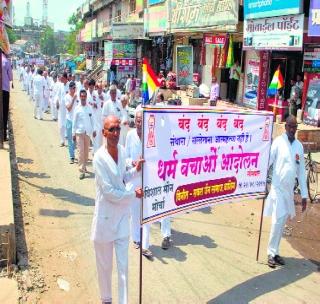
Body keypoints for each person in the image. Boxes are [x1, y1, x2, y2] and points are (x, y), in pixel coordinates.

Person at [91, 115, 144, 304]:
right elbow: (109, 192)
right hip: (105, 220)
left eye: (117, 129)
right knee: (104, 267)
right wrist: (133, 195)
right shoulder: (98, 158)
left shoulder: (121, 151)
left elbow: (123, 178)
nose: (115, 133)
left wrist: (136, 170)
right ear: (104, 133)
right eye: (111, 130)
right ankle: (106, 299)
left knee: (123, 267)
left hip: (121, 219)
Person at [264, 115, 307, 268]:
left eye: (294, 126)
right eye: (289, 126)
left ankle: (275, 252)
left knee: (281, 222)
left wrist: (304, 195)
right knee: (277, 220)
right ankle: (270, 253)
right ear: (285, 127)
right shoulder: (278, 142)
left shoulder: (299, 147)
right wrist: (261, 180)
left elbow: (301, 171)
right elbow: (268, 161)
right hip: (277, 189)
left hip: (289, 192)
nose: (292, 129)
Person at [125, 110, 152, 258]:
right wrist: (133, 163)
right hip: (134, 176)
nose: (139, 122)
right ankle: (136, 238)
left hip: (147, 178)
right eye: (137, 119)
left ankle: (145, 245)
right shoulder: (130, 135)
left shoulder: (150, 136)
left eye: (141, 119)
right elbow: (126, 157)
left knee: (146, 211)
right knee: (134, 211)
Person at [72, 90, 96, 179]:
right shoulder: (77, 108)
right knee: (80, 151)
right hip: (79, 132)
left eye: (84, 96)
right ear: (80, 97)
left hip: (87, 133)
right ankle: (81, 170)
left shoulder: (89, 108)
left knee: (86, 152)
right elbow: (74, 122)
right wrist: (73, 133)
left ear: (86, 97)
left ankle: (84, 165)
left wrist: (94, 130)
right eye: (81, 96)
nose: (83, 98)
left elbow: (93, 120)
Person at [65, 81, 79, 164]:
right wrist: (73, 99)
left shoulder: (78, 96)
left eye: (75, 88)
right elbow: (69, 108)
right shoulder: (66, 97)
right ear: (70, 88)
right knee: (70, 139)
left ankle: (73, 150)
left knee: (76, 139)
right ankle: (72, 156)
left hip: (77, 120)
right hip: (69, 120)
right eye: (73, 88)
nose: (74, 89)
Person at [2, 52, 13, 141]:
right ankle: (4, 135)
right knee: (4, 112)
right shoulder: (6, 61)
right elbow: (10, 78)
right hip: (4, 90)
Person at [56, 73, 69, 147]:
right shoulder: (60, 85)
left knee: (67, 125)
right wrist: (57, 101)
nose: (60, 79)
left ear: (65, 78)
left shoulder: (70, 85)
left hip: (67, 109)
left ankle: (70, 140)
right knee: (61, 125)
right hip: (61, 109)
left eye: (62, 78)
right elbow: (58, 95)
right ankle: (62, 140)